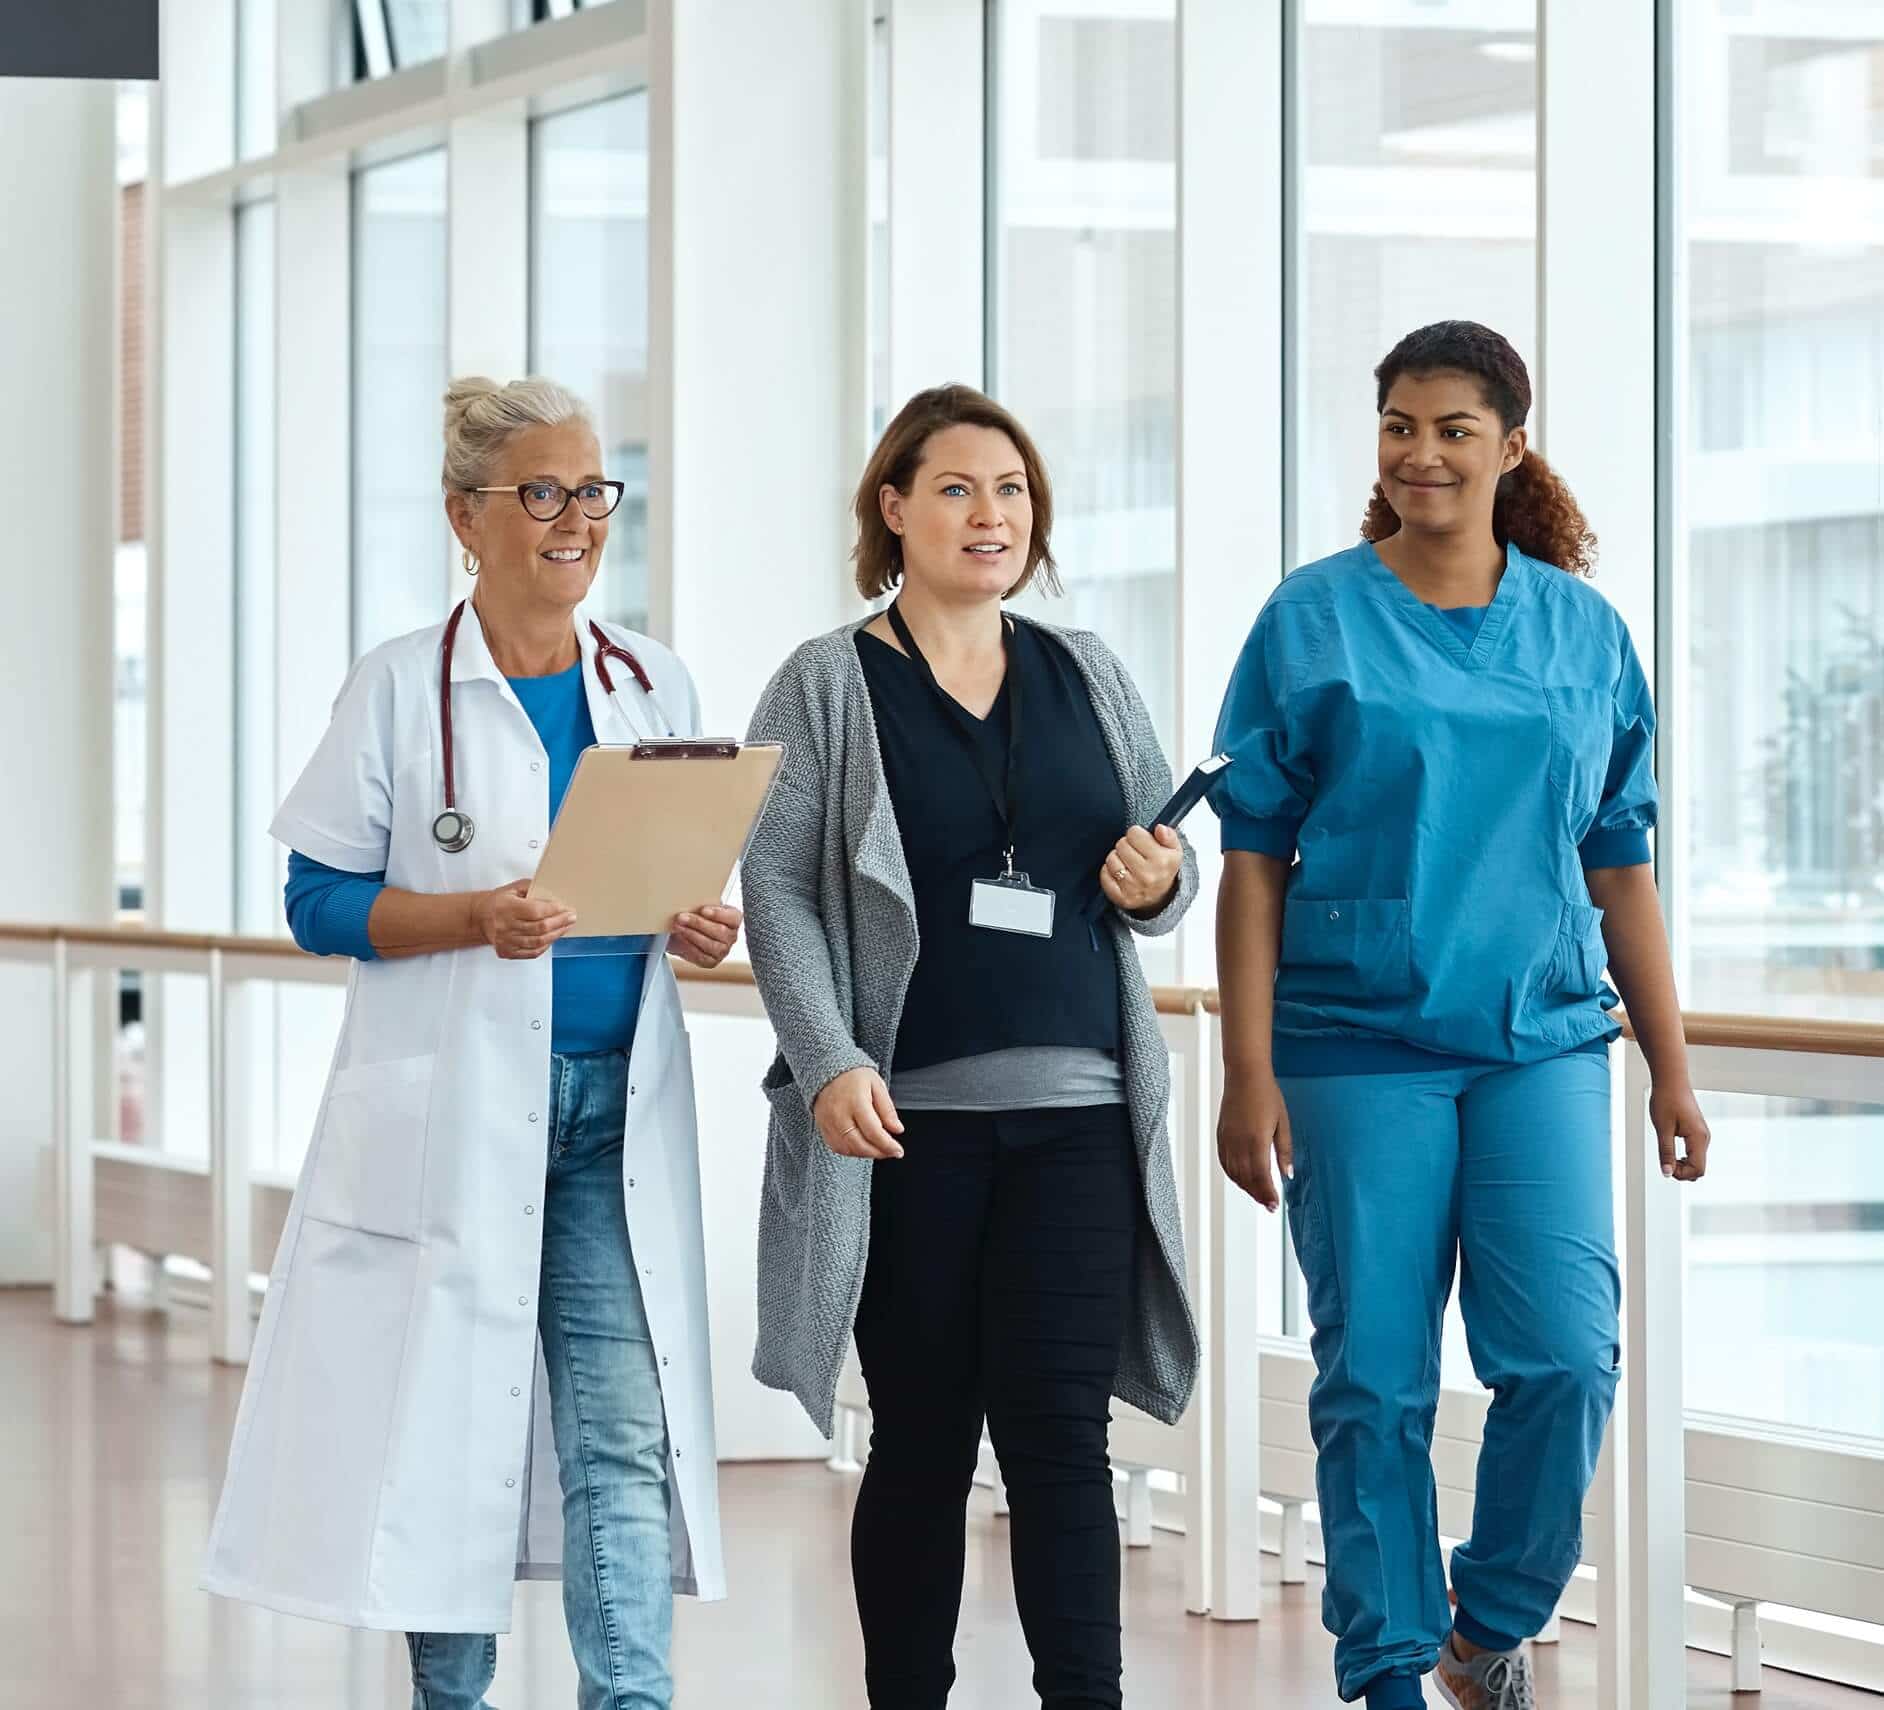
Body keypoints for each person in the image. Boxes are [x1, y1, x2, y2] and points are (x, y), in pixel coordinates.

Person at [202, 376, 741, 1710]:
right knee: (448, 1430)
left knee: (622, 1430)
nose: (574, 519)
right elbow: (317, 901)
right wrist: (472, 918)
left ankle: (632, 1699)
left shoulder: (652, 678)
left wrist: (699, 924)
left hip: (615, 1105)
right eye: (540, 492)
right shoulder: (397, 686)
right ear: (466, 515)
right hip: (460, 1112)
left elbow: (670, 862)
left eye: (591, 491)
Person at [1211, 321, 1711, 1710]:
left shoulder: (1583, 632)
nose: (1420, 452)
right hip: (1354, 1040)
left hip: (1541, 1036)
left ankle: (1483, 1626)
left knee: (1564, 1356)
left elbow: (1622, 864)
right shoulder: (1309, 618)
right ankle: (1382, 1672)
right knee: (1373, 1376)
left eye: (1451, 428)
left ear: (1511, 446)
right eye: (1396, 425)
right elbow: (1251, 857)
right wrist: (1247, 1069)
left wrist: (1672, 1070)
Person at [741, 383, 1200, 1709]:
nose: (989, 512)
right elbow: (773, 883)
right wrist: (827, 1056)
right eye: (955, 487)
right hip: (910, 1129)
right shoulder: (829, 680)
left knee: (1061, 1440)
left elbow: (1163, 872)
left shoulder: (1089, 670)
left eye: (1010, 489)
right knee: (924, 1443)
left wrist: (1153, 877)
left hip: (1079, 1121)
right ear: (895, 507)